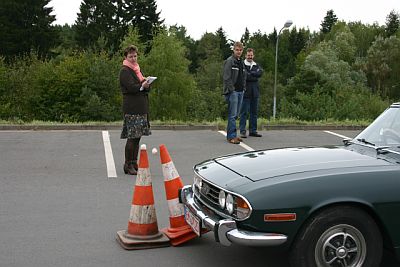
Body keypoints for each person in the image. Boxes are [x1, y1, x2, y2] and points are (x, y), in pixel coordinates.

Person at [119, 45, 151, 175]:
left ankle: (134, 162)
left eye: (135, 56)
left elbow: (143, 87)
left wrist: (147, 85)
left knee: (138, 137)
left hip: (141, 106)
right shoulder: (125, 71)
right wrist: (142, 85)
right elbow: (132, 87)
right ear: (126, 57)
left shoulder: (137, 70)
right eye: (131, 56)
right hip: (132, 108)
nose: (133, 58)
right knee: (132, 137)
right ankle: (127, 165)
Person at [222, 41, 246, 144]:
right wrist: (232, 90)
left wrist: (244, 88)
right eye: (237, 50)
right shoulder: (230, 61)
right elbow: (226, 77)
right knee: (232, 115)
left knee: (236, 115)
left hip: (241, 91)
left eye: (240, 50)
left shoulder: (241, 62)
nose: (239, 52)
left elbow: (243, 76)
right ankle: (231, 137)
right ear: (233, 50)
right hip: (233, 92)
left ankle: (234, 135)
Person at [239, 48, 263, 138]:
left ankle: (253, 131)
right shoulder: (242, 64)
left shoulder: (256, 64)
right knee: (244, 112)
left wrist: (250, 74)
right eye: (248, 55)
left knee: (254, 112)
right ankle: (242, 131)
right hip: (245, 91)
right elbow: (245, 76)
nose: (250, 57)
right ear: (245, 56)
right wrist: (254, 74)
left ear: (253, 56)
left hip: (255, 92)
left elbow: (260, 73)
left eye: (251, 55)